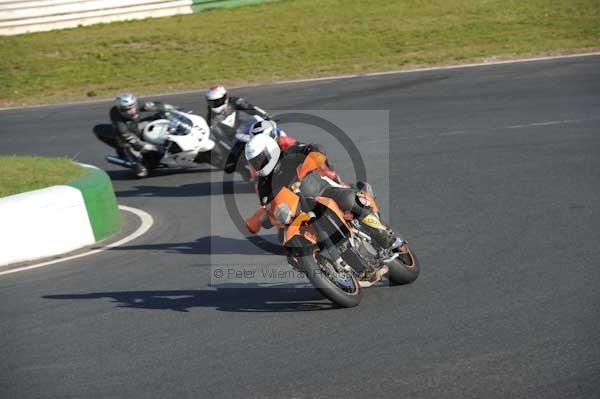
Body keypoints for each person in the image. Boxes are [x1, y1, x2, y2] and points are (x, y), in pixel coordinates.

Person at [243, 135, 399, 250]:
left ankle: (383, 233)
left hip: (324, 192)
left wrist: (309, 162)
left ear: (270, 151)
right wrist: (265, 218)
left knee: (350, 200)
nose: (257, 164)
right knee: (287, 244)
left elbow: (315, 149)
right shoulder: (264, 184)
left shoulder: (291, 153)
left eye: (259, 159)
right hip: (300, 215)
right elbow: (268, 206)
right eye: (254, 162)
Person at [109, 92, 176, 178]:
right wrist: (143, 145)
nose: (131, 111)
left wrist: (172, 109)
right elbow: (126, 134)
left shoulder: (137, 104)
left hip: (136, 126)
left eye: (132, 107)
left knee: (157, 118)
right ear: (120, 109)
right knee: (126, 145)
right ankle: (137, 165)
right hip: (125, 135)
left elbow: (155, 105)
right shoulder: (116, 115)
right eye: (126, 109)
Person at [205, 84, 272, 127]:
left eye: (217, 101)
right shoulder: (211, 109)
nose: (214, 104)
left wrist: (264, 115)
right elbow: (210, 126)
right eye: (211, 102)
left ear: (225, 97)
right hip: (226, 136)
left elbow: (251, 108)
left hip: (242, 128)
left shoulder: (235, 101)